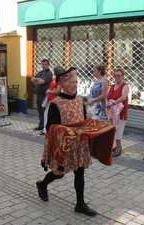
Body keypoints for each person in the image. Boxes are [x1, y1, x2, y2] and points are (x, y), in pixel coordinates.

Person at [36, 67, 98, 217]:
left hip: (78, 144)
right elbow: (50, 127)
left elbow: (82, 122)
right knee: (59, 173)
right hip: (62, 146)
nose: (75, 85)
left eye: (76, 82)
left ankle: (80, 204)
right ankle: (42, 185)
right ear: (63, 83)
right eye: (71, 82)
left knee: (80, 173)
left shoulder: (79, 101)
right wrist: (64, 132)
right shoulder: (56, 103)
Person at [106, 68, 129, 157]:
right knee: (114, 129)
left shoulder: (125, 86)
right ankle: (117, 146)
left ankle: (118, 148)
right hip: (112, 112)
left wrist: (113, 103)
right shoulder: (112, 86)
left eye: (119, 75)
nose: (117, 77)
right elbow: (108, 96)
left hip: (120, 112)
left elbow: (123, 97)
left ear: (123, 76)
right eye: (115, 76)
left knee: (119, 129)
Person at [40, 65, 64, 135]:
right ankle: (46, 128)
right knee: (46, 114)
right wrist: (48, 91)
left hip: (55, 100)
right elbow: (51, 87)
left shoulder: (59, 80)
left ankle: (46, 129)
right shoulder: (54, 78)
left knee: (48, 114)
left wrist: (49, 92)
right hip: (50, 99)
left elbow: (58, 91)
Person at [31, 59, 53, 130]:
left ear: (48, 65)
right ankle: (41, 125)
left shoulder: (49, 73)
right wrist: (37, 80)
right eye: (42, 64)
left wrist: (36, 81)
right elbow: (32, 79)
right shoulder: (40, 73)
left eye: (45, 64)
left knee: (44, 111)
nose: (43, 65)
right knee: (40, 111)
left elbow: (42, 81)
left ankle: (45, 127)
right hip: (38, 94)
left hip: (44, 95)